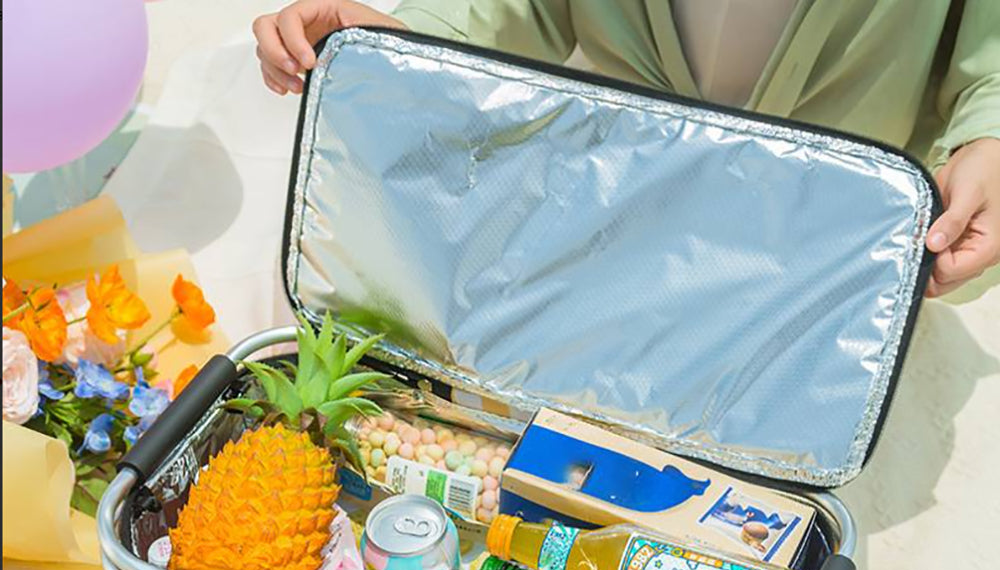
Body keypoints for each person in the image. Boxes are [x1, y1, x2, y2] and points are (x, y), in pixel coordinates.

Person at [254, 0, 1000, 298]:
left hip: (829, 259)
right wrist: (403, 40)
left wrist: (990, 138)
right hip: (612, 224)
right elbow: (522, 9)